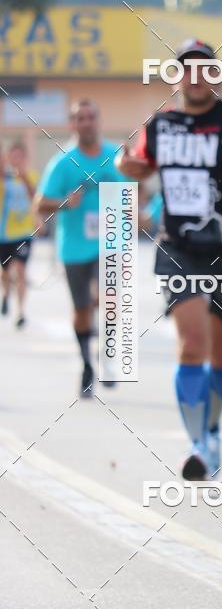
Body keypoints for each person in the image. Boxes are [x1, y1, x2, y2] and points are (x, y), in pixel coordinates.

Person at [116, 39, 222, 481]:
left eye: (204, 69)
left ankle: (212, 427)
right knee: (191, 344)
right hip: (179, 248)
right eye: (186, 69)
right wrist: (130, 168)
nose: (195, 77)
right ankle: (197, 442)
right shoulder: (161, 125)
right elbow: (132, 161)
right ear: (175, 77)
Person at [35, 99, 126, 397]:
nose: (86, 123)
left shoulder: (115, 156)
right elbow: (40, 203)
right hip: (74, 247)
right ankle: (87, 363)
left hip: (110, 242)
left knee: (109, 298)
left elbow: (135, 190)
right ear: (73, 125)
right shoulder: (63, 162)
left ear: (98, 121)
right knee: (82, 309)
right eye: (79, 118)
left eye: (90, 117)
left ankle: (109, 359)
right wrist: (63, 203)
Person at [0, 142, 39, 328]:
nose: (16, 160)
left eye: (19, 156)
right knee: (5, 272)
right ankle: (6, 294)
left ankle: (21, 311)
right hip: (3, 234)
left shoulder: (30, 176)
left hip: (24, 233)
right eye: (12, 156)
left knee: (22, 271)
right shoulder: (3, 178)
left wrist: (24, 180)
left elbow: (37, 199)